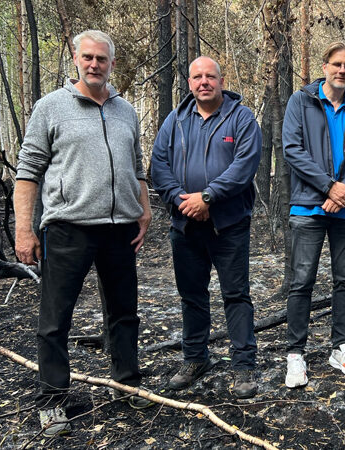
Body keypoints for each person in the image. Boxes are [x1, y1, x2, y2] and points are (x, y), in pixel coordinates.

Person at [14, 30, 154, 437]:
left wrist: (143, 211)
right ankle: (52, 401)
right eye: (88, 57)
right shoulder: (51, 108)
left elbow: (137, 166)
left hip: (119, 230)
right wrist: (25, 230)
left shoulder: (126, 110)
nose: (95, 65)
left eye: (102, 59)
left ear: (112, 63)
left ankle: (127, 382)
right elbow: (28, 172)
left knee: (125, 312)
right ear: (75, 58)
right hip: (67, 229)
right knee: (55, 318)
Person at [151, 56, 262, 399]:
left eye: (210, 76)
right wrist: (182, 200)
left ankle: (243, 365)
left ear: (220, 79)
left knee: (236, 296)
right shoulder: (176, 120)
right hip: (185, 226)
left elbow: (244, 166)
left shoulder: (241, 118)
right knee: (192, 296)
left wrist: (208, 197)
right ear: (189, 82)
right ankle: (196, 358)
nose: (204, 82)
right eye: (197, 77)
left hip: (228, 225)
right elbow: (158, 164)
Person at [281, 42, 345, 388]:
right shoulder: (301, 101)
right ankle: (296, 354)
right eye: (336, 64)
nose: (341, 70)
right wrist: (328, 187)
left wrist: (344, 189)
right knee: (302, 281)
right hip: (308, 205)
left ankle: (341, 347)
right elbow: (292, 149)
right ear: (324, 66)